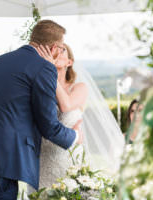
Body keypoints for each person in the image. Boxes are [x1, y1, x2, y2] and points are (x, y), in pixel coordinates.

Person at [0, 20, 83, 200]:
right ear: (54, 48)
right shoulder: (44, 67)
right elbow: (48, 125)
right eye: (62, 48)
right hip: (1, 161)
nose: (61, 52)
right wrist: (75, 135)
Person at [37, 43, 125, 186]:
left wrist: (50, 72)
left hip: (70, 157)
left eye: (62, 50)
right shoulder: (41, 89)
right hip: (43, 159)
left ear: (69, 62)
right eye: (53, 49)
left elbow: (66, 106)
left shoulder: (79, 87)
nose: (57, 52)